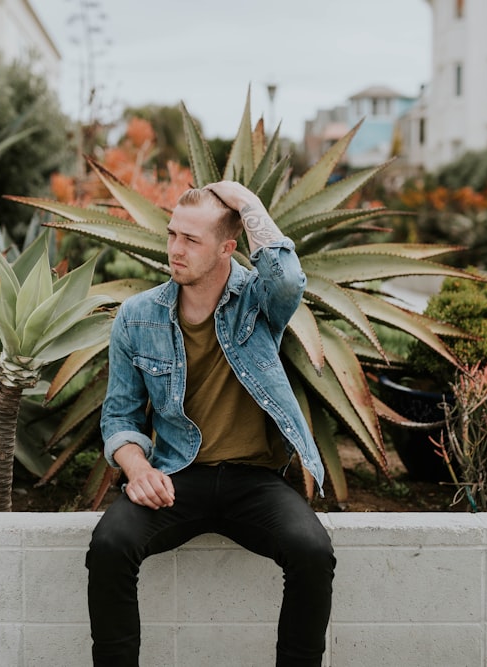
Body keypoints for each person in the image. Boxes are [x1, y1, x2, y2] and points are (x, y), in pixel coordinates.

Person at [86, 181, 335, 667]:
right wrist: (138, 469)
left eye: (192, 240)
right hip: (180, 475)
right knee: (110, 546)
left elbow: (287, 279)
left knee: (312, 552)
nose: (175, 249)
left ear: (228, 248)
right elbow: (119, 416)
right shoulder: (137, 318)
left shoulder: (258, 303)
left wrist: (246, 202)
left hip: (254, 480)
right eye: (173, 234)